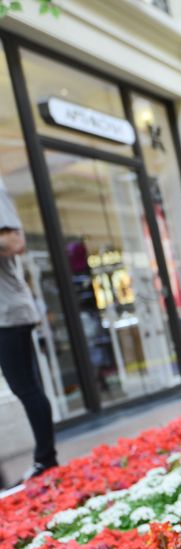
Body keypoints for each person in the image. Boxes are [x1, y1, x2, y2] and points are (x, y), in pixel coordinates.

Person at [0, 202, 57, 481]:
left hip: (9, 314)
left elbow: (14, 241)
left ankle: (47, 460)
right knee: (24, 386)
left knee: (26, 388)